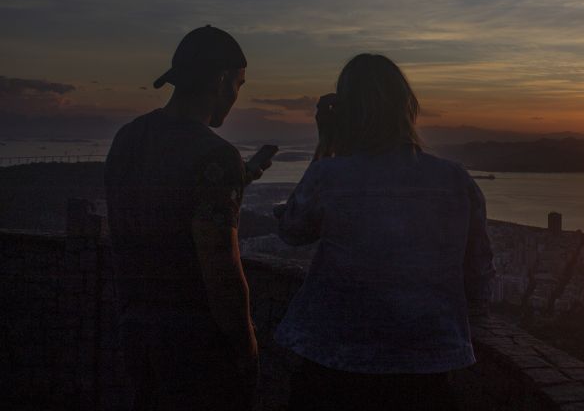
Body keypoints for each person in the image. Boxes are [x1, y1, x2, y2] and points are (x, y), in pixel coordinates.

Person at [274, 53, 495, 411]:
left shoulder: (330, 176)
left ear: (346, 112)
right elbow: (479, 276)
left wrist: (326, 146)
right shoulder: (456, 181)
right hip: (427, 366)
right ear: (408, 106)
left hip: (333, 362)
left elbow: (292, 231)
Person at [104, 26, 266, 410]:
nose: (236, 96)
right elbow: (220, 263)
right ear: (222, 79)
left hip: (135, 330)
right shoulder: (214, 155)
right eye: (239, 84)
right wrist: (247, 345)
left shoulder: (128, 137)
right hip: (195, 347)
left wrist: (241, 177)